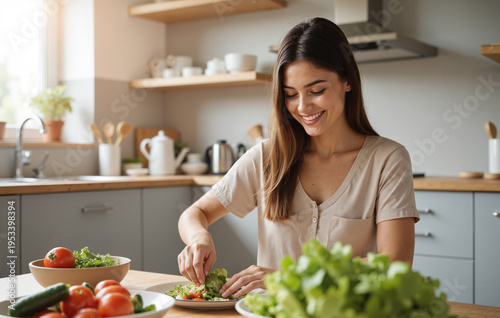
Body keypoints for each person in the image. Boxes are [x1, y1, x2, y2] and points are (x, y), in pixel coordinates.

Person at [177, 17, 419, 299]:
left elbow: (395, 265)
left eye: (317, 91)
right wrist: (199, 237)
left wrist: (288, 278)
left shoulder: (388, 160)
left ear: (348, 81)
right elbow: (195, 213)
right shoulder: (267, 157)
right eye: (291, 95)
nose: (303, 107)